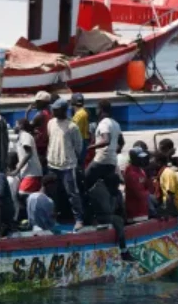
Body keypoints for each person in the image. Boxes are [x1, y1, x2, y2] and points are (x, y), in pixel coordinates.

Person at [47, 98, 84, 230]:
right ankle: (53, 218)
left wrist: (74, 160)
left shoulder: (72, 127)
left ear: (63, 110)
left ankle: (79, 219)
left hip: (68, 165)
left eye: (56, 109)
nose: (53, 111)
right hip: (52, 164)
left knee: (73, 194)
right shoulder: (51, 123)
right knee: (52, 194)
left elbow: (78, 147)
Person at [85, 99, 123, 203]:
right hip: (112, 161)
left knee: (85, 181)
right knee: (107, 187)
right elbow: (121, 142)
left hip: (101, 160)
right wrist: (114, 151)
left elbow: (106, 140)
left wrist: (89, 147)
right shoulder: (116, 123)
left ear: (100, 110)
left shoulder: (103, 123)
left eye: (97, 109)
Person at [154, 151, 178, 218]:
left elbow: (170, 195)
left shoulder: (167, 173)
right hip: (172, 205)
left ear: (158, 162)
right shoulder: (161, 174)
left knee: (154, 213)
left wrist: (167, 213)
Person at [123, 146, 152, 222]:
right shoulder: (130, 173)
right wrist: (148, 193)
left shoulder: (141, 170)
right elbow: (139, 194)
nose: (142, 160)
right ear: (134, 159)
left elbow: (148, 187)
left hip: (143, 210)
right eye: (140, 158)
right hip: (135, 213)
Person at [27, 91, 53, 168]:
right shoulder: (51, 113)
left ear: (43, 103)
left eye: (37, 102)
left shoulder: (40, 115)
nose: (36, 103)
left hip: (39, 145)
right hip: (47, 144)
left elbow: (27, 127)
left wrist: (27, 113)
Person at [70, 92, 90, 159]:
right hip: (84, 141)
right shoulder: (83, 112)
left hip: (81, 141)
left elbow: (73, 131)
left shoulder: (79, 115)